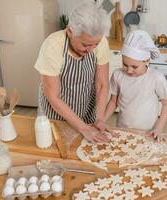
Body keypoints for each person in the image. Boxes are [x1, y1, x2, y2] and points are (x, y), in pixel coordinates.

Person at [34, 2, 115, 143]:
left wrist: (100, 119)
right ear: (70, 31)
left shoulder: (100, 43)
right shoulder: (53, 45)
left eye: (96, 44)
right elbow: (53, 96)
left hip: (86, 109)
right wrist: (83, 128)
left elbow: (102, 84)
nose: (91, 49)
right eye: (85, 44)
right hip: (57, 114)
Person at [103, 30, 167, 141]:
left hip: (148, 132)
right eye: (125, 65)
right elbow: (113, 101)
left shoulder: (156, 78)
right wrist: (102, 121)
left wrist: (159, 128)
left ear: (147, 61)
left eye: (134, 67)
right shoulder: (118, 75)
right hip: (123, 130)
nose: (129, 70)